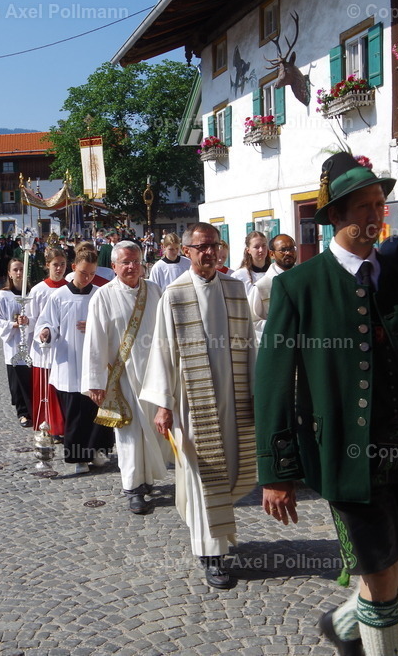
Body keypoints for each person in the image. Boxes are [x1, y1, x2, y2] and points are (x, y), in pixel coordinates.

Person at [256, 152, 398, 656]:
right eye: (365, 206)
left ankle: (346, 623)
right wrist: (277, 472)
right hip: (350, 457)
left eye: (379, 204)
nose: (377, 215)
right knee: (382, 577)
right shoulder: (297, 287)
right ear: (335, 217)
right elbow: (274, 384)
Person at [140, 222, 258, 590]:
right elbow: (161, 350)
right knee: (202, 473)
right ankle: (212, 555)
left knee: (228, 470)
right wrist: (163, 404)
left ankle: (217, 540)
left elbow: (251, 345)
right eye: (201, 247)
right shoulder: (173, 295)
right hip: (193, 401)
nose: (208, 253)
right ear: (187, 252)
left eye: (213, 246)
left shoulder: (236, 290)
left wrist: (257, 391)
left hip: (233, 396)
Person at [82, 241, 168, 514]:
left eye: (135, 261)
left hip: (154, 375)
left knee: (152, 432)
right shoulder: (103, 296)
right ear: (114, 267)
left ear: (142, 263)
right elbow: (95, 340)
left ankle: (148, 479)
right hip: (121, 377)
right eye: (125, 263)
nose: (131, 267)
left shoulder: (155, 291)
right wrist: (95, 382)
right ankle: (133, 487)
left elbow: (167, 333)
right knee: (129, 433)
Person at [37, 248, 114, 473]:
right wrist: (46, 332)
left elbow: (114, 325)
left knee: (97, 409)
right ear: (74, 269)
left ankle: (99, 451)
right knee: (76, 413)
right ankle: (79, 459)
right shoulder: (59, 296)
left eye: (91, 273)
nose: (87, 278)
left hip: (95, 362)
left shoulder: (101, 294)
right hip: (68, 363)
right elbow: (47, 322)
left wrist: (94, 327)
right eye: (83, 273)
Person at [25, 247, 69, 439]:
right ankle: (48, 426)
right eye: (55, 265)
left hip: (65, 348)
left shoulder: (71, 287)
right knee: (46, 389)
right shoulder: (38, 290)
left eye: (62, 264)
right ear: (47, 266)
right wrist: (36, 331)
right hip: (43, 349)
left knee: (63, 389)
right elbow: (31, 320)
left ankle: (64, 426)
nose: (59, 268)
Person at [0, 259, 32, 428]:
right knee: (17, 379)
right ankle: (22, 412)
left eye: (21, 269)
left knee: (30, 378)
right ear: (9, 273)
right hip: (13, 342)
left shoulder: (32, 294)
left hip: (30, 343)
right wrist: (13, 324)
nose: (18, 273)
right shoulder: (2, 296)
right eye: (15, 270)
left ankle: (34, 409)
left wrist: (29, 320)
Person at [249, 233, 298, 345]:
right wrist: (284, 323)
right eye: (283, 250)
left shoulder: (305, 278)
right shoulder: (262, 287)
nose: (288, 253)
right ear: (272, 254)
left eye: (291, 248)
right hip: (278, 344)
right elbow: (254, 322)